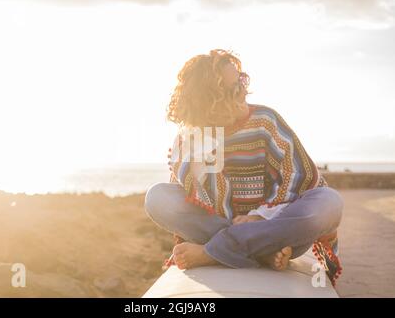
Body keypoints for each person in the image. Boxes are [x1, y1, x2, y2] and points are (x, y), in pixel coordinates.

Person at [144, 49, 343, 285]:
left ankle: (214, 252)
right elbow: (200, 198)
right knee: (157, 197)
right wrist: (209, 140)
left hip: (275, 226)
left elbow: (299, 175)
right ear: (210, 101)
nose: (243, 92)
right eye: (234, 89)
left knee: (328, 202)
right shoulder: (197, 136)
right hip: (271, 242)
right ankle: (259, 251)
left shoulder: (265, 120)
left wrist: (259, 217)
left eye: (242, 80)